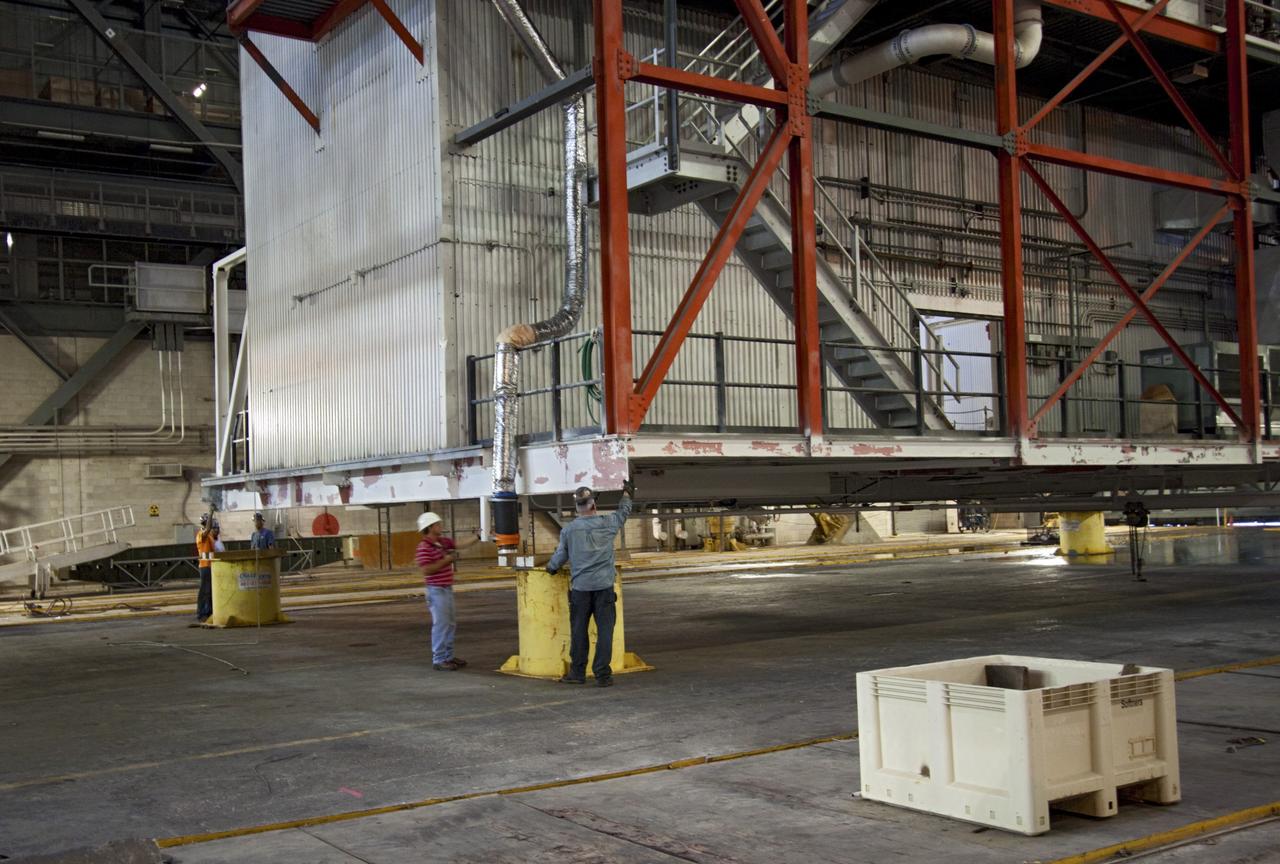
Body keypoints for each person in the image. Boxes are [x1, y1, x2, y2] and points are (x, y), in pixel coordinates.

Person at [546, 481, 633, 687]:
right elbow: (624, 512)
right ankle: (602, 674)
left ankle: (577, 673)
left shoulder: (569, 530)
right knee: (605, 632)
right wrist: (627, 495)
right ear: (593, 505)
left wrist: (551, 568)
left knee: (578, 631)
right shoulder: (609, 523)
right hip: (604, 588)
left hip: (581, 590)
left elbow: (560, 555)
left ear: (576, 507)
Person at [415, 512, 481, 671]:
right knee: (441, 624)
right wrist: (447, 560)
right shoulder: (424, 547)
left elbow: (459, 544)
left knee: (450, 624)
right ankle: (439, 659)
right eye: (437, 524)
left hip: (446, 589)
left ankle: (448, 657)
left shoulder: (441, 542)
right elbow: (426, 570)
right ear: (430, 527)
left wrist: (478, 536)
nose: (440, 526)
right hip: (436, 591)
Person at [194, 515, 217, 622]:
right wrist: (211, 512)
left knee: (210, 591)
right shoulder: (201, 535)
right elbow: (207, 529)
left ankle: (209, 612)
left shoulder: (210, 536)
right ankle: (201, 613)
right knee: (204, 591)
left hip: (211, 565)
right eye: (209, 522)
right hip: (204, 566)